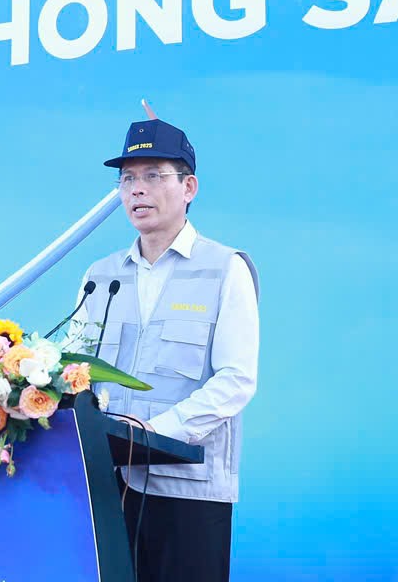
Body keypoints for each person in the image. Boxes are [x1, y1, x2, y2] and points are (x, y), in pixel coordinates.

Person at [73, 117, 259, 582]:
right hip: (108, 486)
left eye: (153, 175)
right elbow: (74, 373)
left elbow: (236, 380)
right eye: (127, 179)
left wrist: (158, 433)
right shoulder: (99, 276)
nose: (137, 189)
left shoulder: (225, 268)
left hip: (189, 491)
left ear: (188, 187)